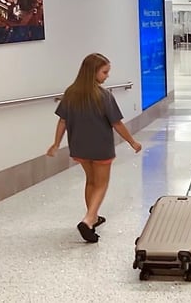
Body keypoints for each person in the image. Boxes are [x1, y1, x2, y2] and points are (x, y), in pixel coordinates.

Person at [47, 53, 142, 243]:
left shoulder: (71, 93)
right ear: (93, 72)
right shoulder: (103, 95)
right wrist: (132, 141)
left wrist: (56, 143)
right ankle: (89, 219)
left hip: (79, 146)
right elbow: (117, 123)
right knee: (101, 183)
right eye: (104, 72)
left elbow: (62, 121)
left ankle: (94, 216)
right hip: (100, 146)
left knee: (90, 180)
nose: (107, 76)